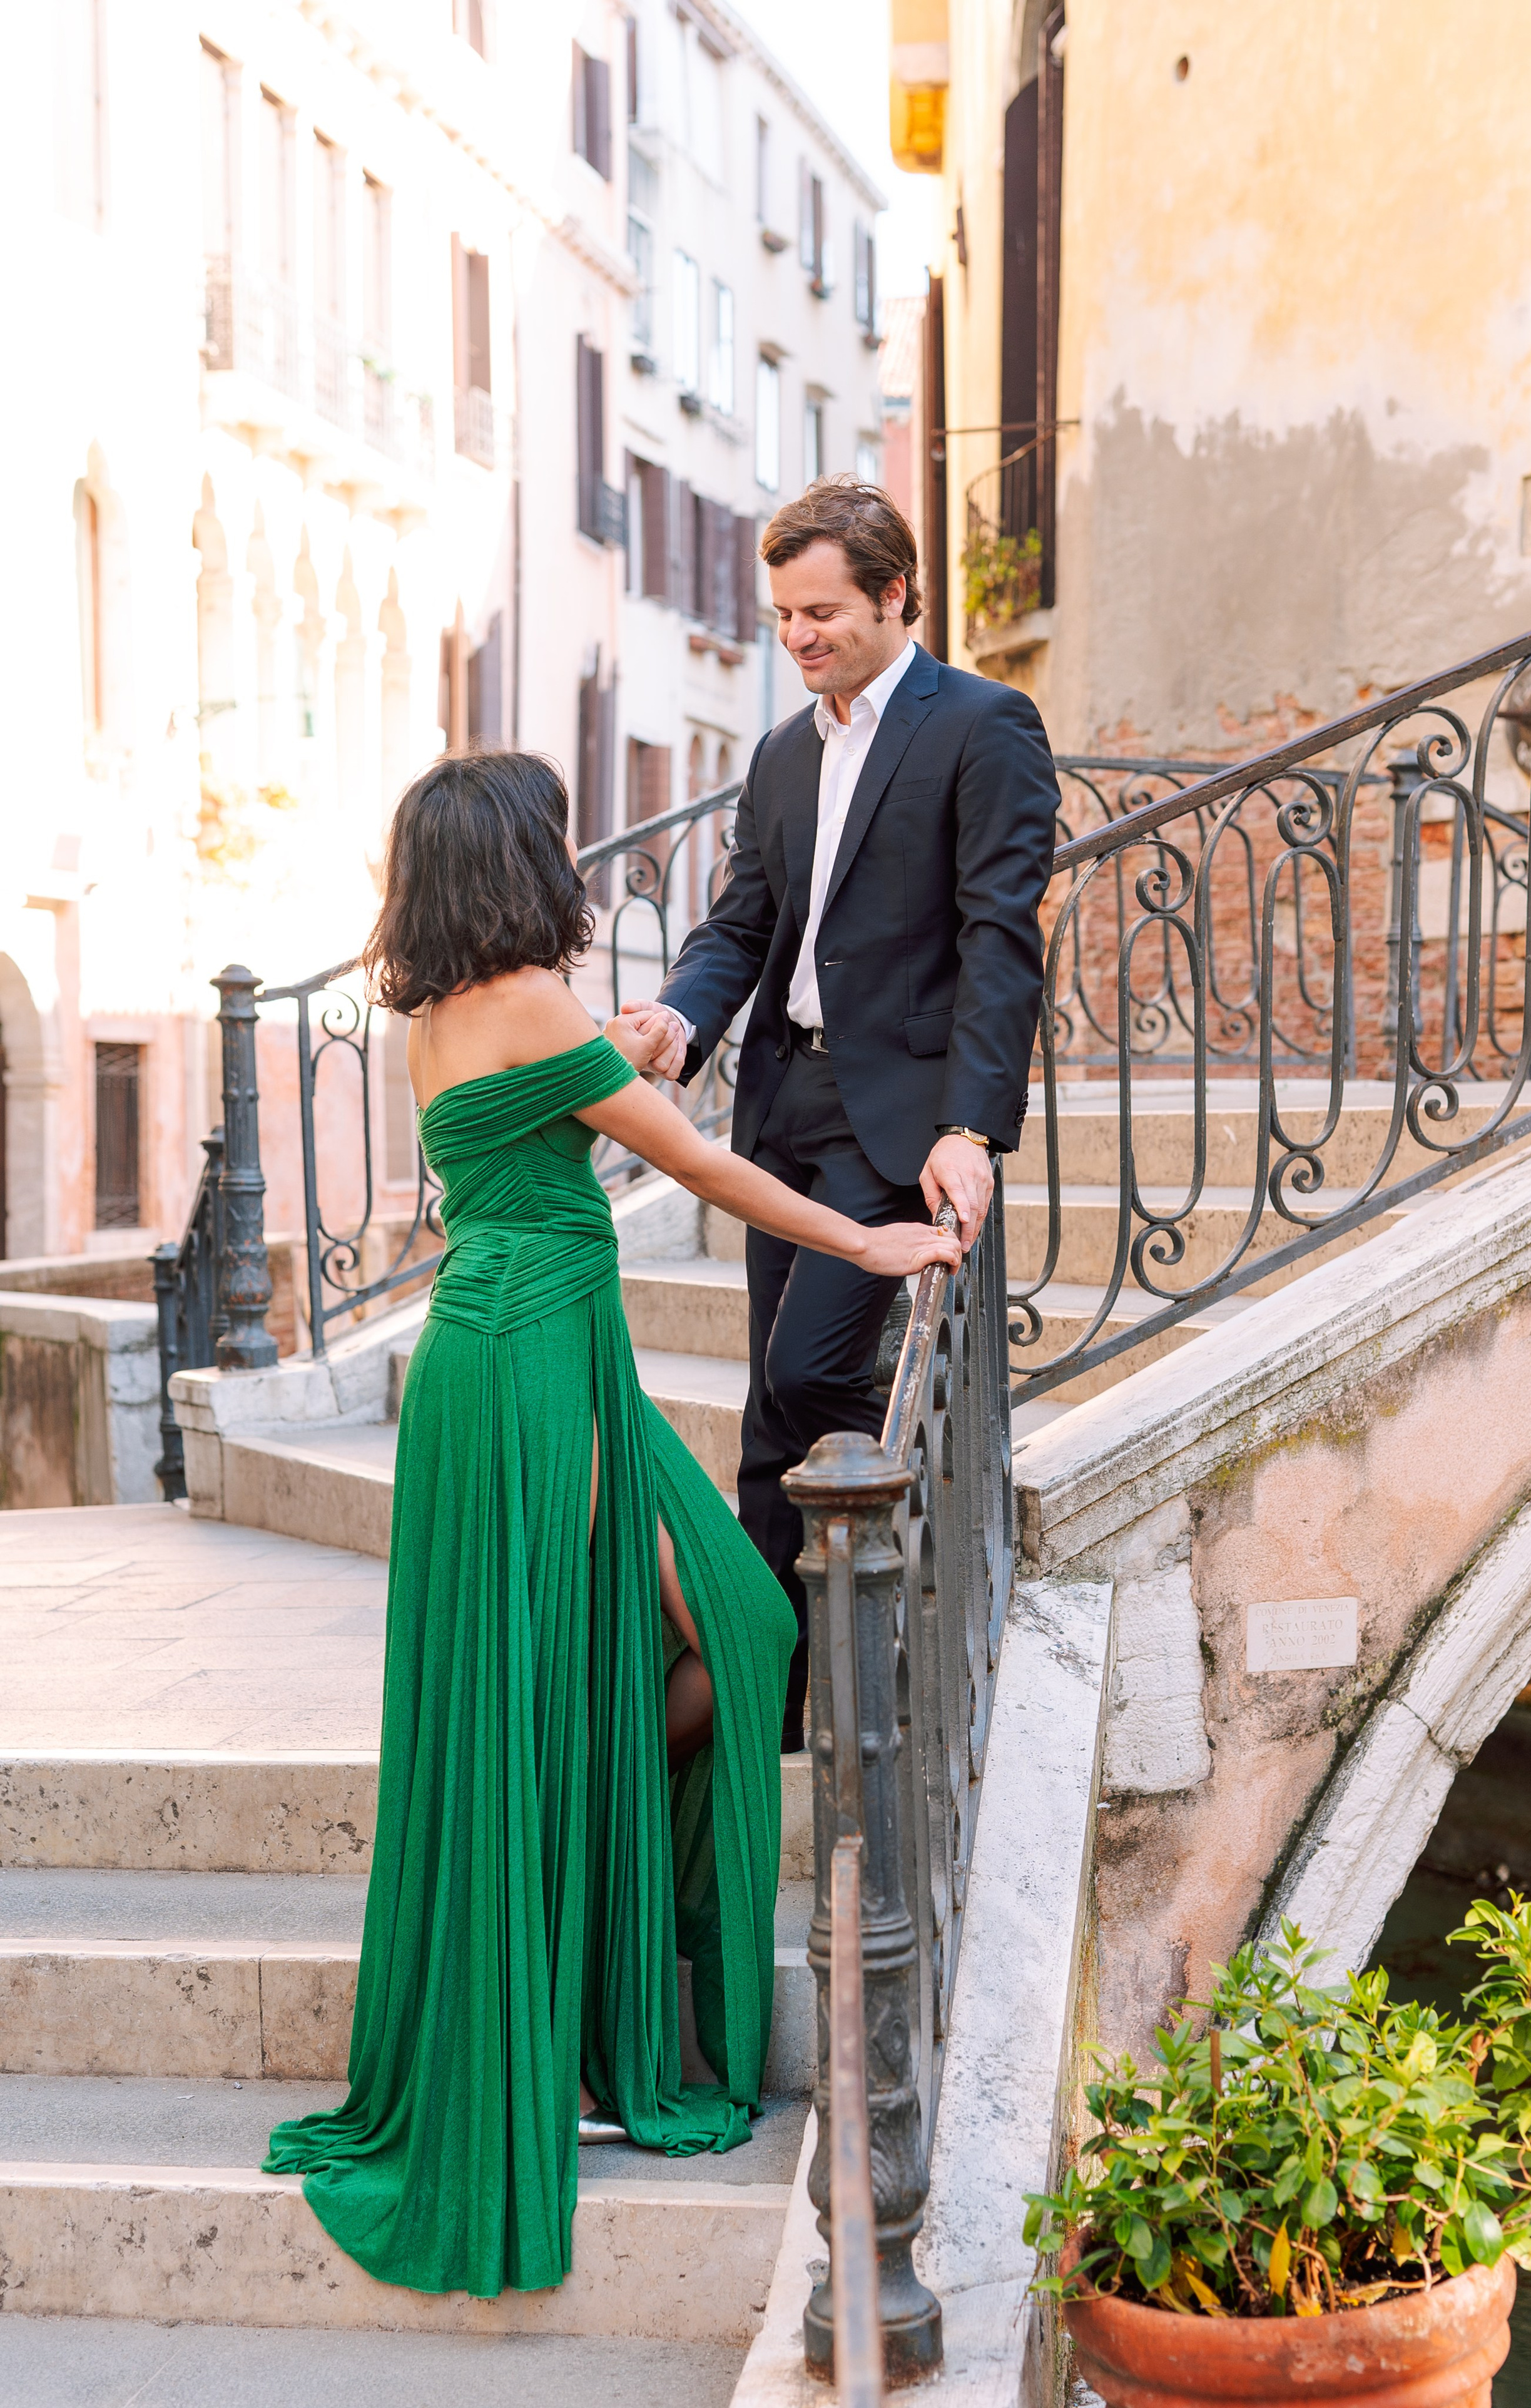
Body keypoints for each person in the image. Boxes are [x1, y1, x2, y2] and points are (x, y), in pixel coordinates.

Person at [262, 749, 959, 2300]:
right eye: (556, 842)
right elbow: (692, 1157)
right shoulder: (525, 1007)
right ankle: (571, 1942)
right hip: (531, 1367)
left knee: (653, 1639)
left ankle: (563, 1876)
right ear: (521, 864)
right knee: (726, 1620)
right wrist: (865, 1234)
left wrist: (636, 1043)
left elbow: (604, 1090)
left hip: (506, 1344)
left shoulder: (446, 1013)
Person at [622, 476, 1061, 1751]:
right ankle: (768, 1686)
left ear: (893, 594)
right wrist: (678, 1024)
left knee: (812, 1371)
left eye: (822, 611)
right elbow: (740, 927)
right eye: (783, 617)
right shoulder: (776, 754)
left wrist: (969, 1126)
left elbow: (998, 941)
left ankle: (828, 1635)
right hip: (785, 1097)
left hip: (902, 1111)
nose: (800, 636)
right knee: (771, 1405)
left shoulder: (984, 725)